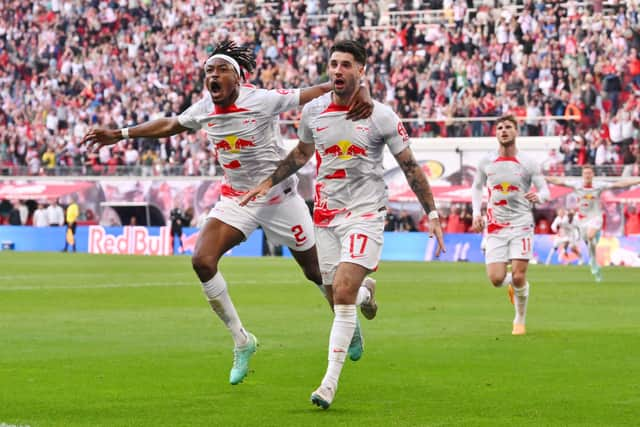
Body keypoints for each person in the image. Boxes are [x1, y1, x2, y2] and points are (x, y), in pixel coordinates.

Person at [81, 41, 373, 386]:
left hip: (278, 196)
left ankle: (355, 306)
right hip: (237, 199)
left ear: (238, 77)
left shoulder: (261, 100)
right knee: (202, 260)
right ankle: (242, 340)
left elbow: (319, 90)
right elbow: (171, 125)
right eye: (208, 71)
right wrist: (119, 134)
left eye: (221, 70)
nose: (213, 76)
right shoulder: (204, 108)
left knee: (318, 275)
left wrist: (363, 90)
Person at [240, 40, 446, 410]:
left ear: (361, 71)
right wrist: (269, 181)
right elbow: (302, 153)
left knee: (344, 291)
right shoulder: (314, 112)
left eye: (346, 64)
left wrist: (431, 214)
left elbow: (411, 167)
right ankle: (366, 298)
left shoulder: (380, 115)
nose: (338, 70)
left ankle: (328, 383)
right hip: (327, 215)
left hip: (366, 213)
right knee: (336, 292)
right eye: (333, 63)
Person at [471, 115, 550, 336]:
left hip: (522, 224)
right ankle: (515, 287)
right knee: (496, 279)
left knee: (518, 275)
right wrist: (476, 213)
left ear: (516, 132)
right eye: (500, 128)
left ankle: (520, 319)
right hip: (495, 226)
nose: (503, 131)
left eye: (508, 127)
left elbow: (545, 190)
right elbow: (476, 187)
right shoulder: (486, 161)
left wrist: (539, 196)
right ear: (496, 133)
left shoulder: (528, 162)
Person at [546, 166, 640, 281]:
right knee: (589, 241)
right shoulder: (576, 185)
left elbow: (619, 184)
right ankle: (594, 262)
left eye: (589, 173)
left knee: (590, 236)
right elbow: (558, 181)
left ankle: (594, 246)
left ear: (593, 175)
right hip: (582, 219)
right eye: (585, 173)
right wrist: (544, 178)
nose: (587, 175)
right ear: (582, 175)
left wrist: (637, 180)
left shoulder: (599, 185)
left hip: (595, 216)